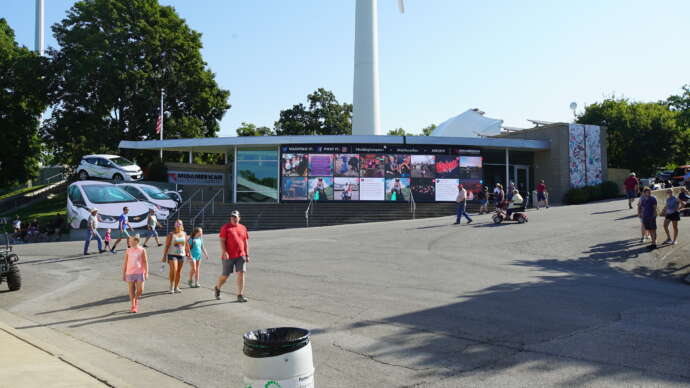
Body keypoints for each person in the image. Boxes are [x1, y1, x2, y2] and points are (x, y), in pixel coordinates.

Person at [215, 210, 250, 302]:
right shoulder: (225, 227)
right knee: (225, 275)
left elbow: (245, 241)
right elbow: (222, 240)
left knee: (241, 273)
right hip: (228, 256)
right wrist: (224, 251)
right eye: (232, 217)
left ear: (239, 218)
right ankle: (217, 287)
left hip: (240, 255)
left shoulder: (243, 228)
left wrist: (247, 254)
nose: (234, 218)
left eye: (235, 217)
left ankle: (240, 295)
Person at [121, 235, 148, 313]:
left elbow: (145, 262)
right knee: (131, 290)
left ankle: (136, 299)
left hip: (140, 272)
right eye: (129, 241)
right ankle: (133, 305)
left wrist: (146, 272)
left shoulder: (142, 250)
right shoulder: (128, 250)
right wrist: (124, 274)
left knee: (140, 290)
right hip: (130, 272)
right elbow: (125, 262)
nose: (129, 242)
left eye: (131, 241)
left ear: (136, 241)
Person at [162, 219, 190, 294]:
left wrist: (189, 253)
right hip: (172, 254)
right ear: (174, 225)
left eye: (179, 224)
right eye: (176, 224)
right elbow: (167, 245)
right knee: (174, 269)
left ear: (182, 225)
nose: (178, 225)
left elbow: (187, 244)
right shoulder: (171, 234)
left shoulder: (184, 234)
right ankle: (171, 286)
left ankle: (176, 286)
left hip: (181, 255)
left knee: (178, 272)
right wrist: (164, 256)